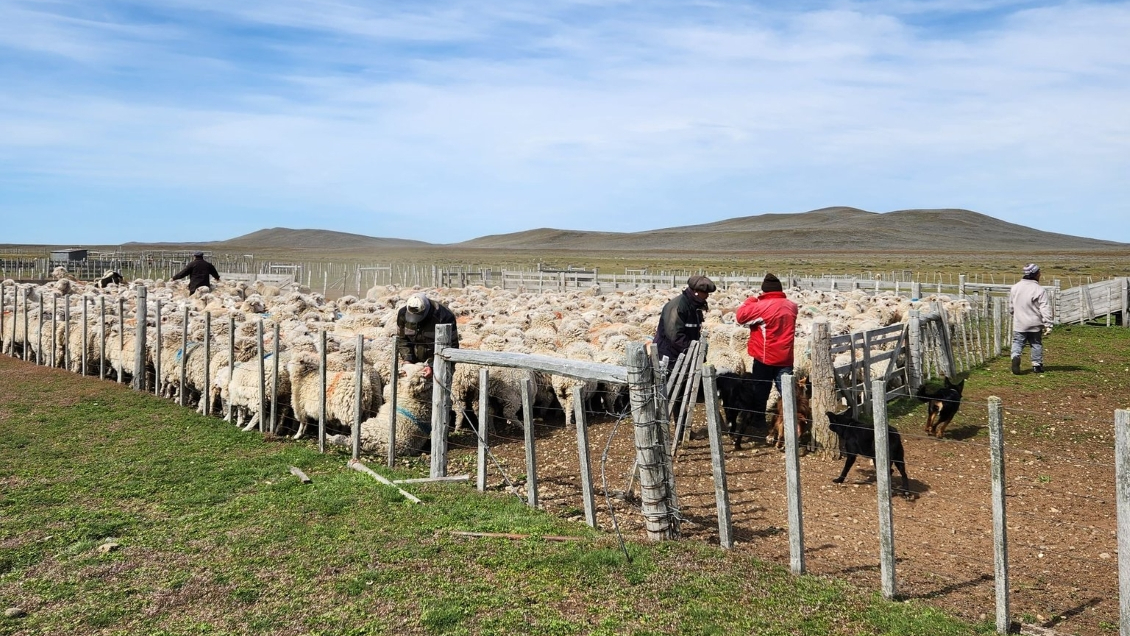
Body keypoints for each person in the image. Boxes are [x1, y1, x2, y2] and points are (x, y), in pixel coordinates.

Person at [735, 273, 798, 442]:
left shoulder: (763, 306)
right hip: (786, 357)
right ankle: (791, 424)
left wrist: (751, 300)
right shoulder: (792, 305)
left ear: (764, 290)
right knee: (787, 392)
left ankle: (758, 421)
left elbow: (740, 316)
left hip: (765, 357)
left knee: (760, 390)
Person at [653, 275, 716, 365]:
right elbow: (674, 335)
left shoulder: (694, 306)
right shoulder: (678, 307)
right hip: (669, 357)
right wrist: (693, 351)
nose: (707, 296)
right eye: (705, 292)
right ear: (696, 291)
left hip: (683, 356)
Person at [396, 292, 459, 378]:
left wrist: (433, 365)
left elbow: (452, 346)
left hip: (437, 361)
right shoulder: (403, 314)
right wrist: (407, 360)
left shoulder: (444, 316)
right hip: (414, 363)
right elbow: (402, 339)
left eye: (418, 315)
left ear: (426, 309)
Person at [1009, 263, 1052, 374]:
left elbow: (1011, 305)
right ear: (1035, 274)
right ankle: (1037, 365)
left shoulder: (1015, 287)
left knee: (1018, 342)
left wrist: (1013, 313)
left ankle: (1015, 356)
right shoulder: (1038, 289)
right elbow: (1044, 307)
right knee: (1036, 343)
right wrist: (1048, 324)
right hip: (1035, 323)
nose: (1040, 275)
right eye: (1039, 273)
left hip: (1020, 323)